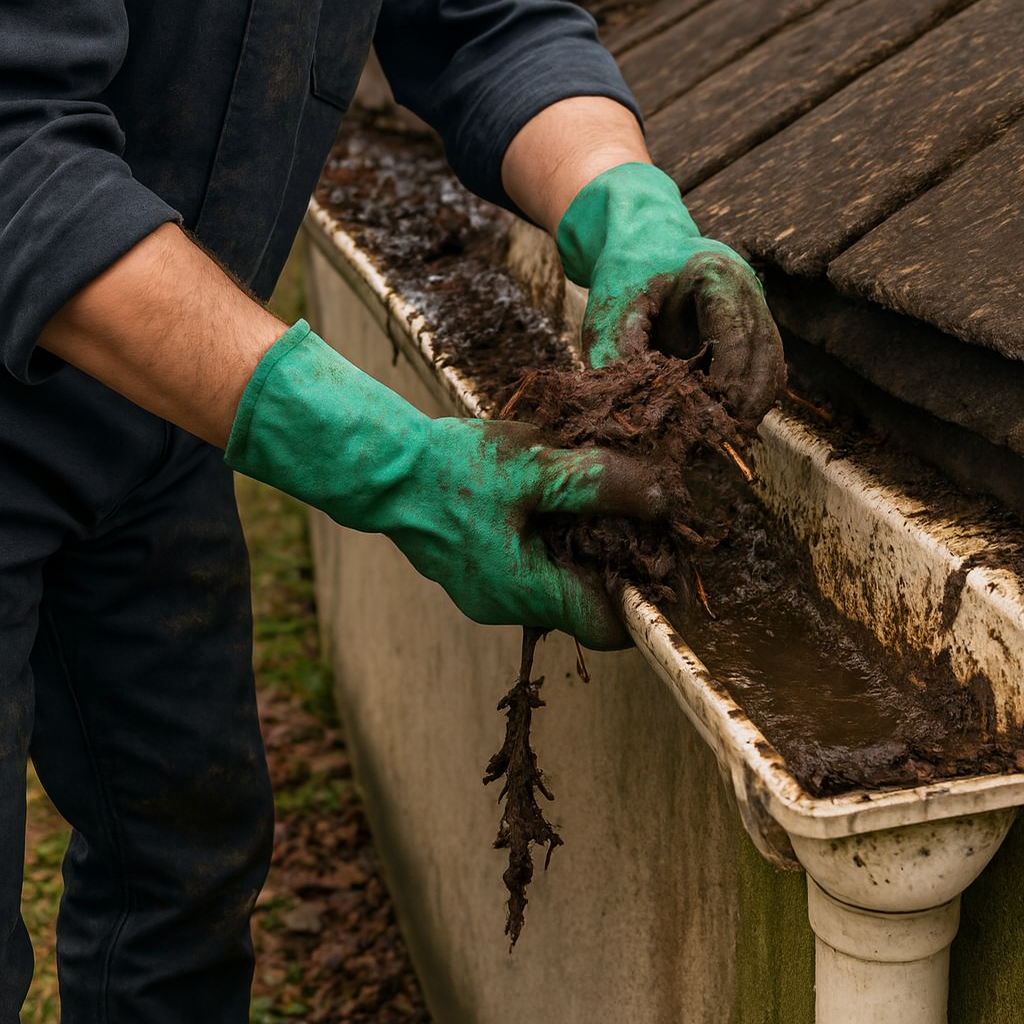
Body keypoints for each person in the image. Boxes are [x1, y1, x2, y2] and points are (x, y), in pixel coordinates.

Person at [0, 1, 784, 1020]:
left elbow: (488, 25)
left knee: (181, 865)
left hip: (154, 412)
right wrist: (394, 462)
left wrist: (622, 199)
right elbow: (17, 157)